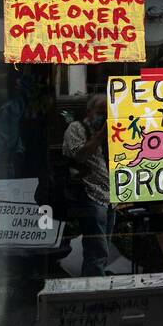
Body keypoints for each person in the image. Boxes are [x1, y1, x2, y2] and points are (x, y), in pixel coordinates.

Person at [62, 94, 114, 275]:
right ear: (89, 111)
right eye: (100, 112)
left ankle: (96, 278)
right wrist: (100, 136)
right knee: (96, 247)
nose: (104, 116)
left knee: (104, 244)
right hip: (90, 194)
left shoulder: (116, 129)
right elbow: (79, 155)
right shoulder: (76, 128)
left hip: (110, 196)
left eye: (108, 112)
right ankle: (94, 287)